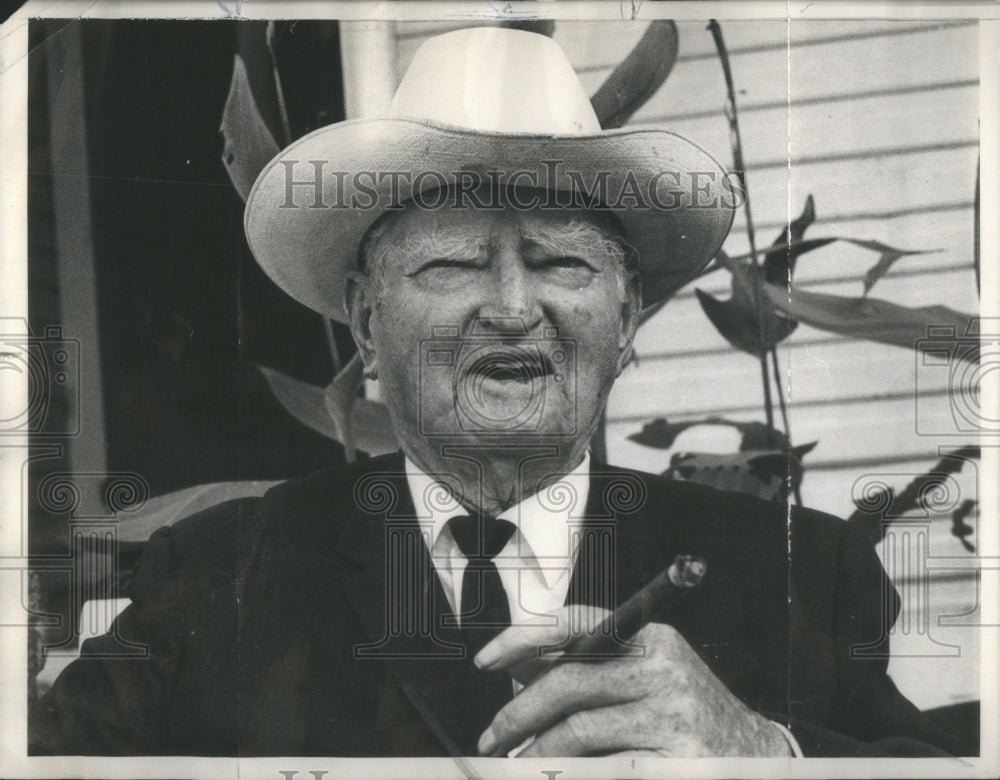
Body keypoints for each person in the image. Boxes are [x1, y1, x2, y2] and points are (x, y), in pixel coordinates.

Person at [31, 26, 956, 758]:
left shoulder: (798, 571)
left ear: (626, 318)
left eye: (559, 261)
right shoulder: (213, 575)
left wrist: (763, 753)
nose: (513, 310)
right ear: (366, 323)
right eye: (453, 265)